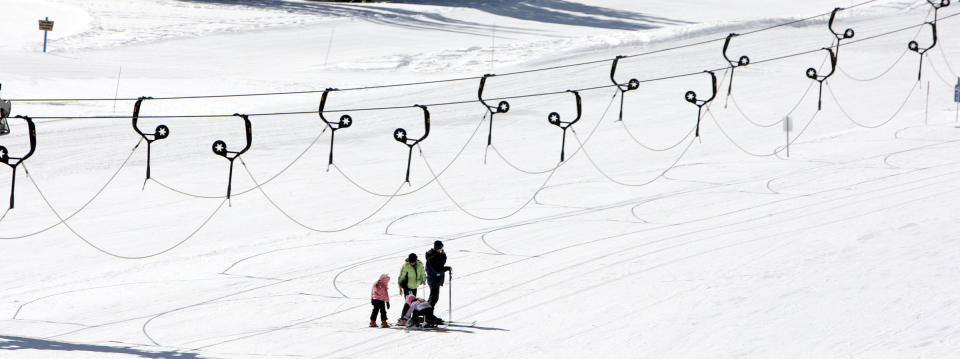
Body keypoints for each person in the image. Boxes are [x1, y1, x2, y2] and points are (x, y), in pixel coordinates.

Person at [397, 253, 425, 325]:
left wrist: (423, 280)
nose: (411, 263)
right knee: (408, 302)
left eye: (413, 262)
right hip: (407, 286)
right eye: (410, 261)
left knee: (413, 303)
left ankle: (409, 319)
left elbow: (423, 273)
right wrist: (400, 287)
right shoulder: (406, 266)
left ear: (415, 260)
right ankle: (404, 318)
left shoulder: (419, 265)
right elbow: (401, 277)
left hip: (415, 286)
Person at [425, 240, 452, 308]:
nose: (442, 249)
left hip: (436, 279)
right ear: (439, 247)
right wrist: (446, 268)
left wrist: (443, 255)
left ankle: (428, 314)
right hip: (433, 279)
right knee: (434, 298)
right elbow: (437, 270)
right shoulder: (432, 256)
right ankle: (428, 315)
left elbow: (442, 263)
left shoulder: (437, 254)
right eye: (441, 247)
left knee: (433, 298)